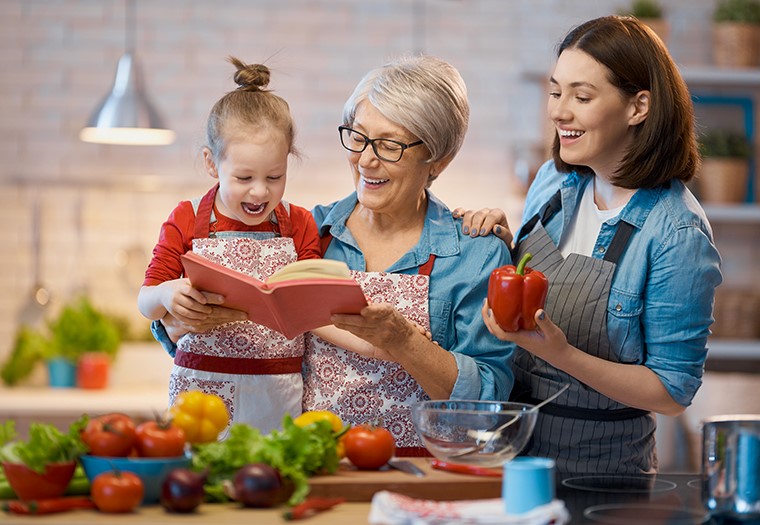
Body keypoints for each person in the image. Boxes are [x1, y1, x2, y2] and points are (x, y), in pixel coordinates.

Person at [153, 55, 515, 454]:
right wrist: (177, 320)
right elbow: (210, 332)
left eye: (390, 145)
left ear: (438, 161)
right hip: (315, 466)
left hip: (426, 473)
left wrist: (404, 343)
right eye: (357, 137)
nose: (366, 159)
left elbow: (489, 403)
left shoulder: (476, 254)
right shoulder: (307, 232)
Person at [477, 16, 722, 474]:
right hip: (508, 452)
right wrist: (501, 243)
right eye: (556, 92)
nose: (558, 111)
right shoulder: (554, 181)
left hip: (602, 473)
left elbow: (672, 392)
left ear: (638, 107)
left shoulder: (677, 234)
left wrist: (560, 353)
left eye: (581, 96)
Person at [138, 57, 377, 434]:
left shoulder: (298, 223)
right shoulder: (186, 218)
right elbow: (145, 300)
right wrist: (167, 295)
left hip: (277, 392)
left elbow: (314, 311)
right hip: (200, 396)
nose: (260, 191)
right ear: (211, 164)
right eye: (244, 177)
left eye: (275, 176)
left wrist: (374, 346)